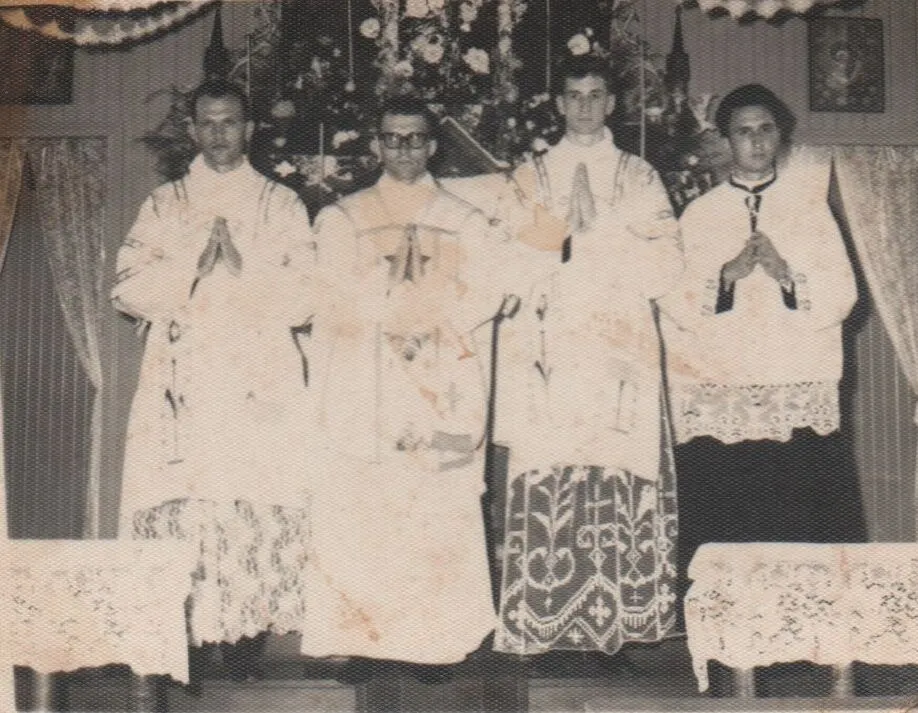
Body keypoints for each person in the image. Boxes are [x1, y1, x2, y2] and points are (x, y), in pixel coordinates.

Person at [111, 79, 317, 680]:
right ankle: (191, 642)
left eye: (231, 122)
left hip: (258, 380)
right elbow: (126, 286)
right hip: (186, 381)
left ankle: (248, 638)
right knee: (189, 500)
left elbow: (307, 295)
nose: (220, 134)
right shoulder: (164, 204)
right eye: (208, 123)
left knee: (249, 495)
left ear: (250, 129)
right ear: (193, 130)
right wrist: (189, 270)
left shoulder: (280, 204)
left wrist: (242, 268)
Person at [302, 95, 514, 679]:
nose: (404, 149)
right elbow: (329, 295)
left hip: (438, 381)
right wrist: (388, 301)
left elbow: (491, 291)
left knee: (434, 509)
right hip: (369, 386)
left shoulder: (465, 218)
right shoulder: (345, 217)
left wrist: (434, 313)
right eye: (392, 138)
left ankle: (434, 640)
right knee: (368, 509)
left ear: (432, 144)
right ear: (376, 143)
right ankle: (365, 640)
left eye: (415, 138)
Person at [492, 54, 683, 658]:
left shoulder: (640, 175)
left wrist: (604, 232)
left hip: (617, 345)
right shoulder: (530, 176)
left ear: (612, 104)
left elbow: (666, 266)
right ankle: (549, 615)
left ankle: (622, 617)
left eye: (595, 94)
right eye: (572, 95)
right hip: (553, 346)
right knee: (555, 467)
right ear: (558, 104)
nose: (583, 106)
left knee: (615, 466)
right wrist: (560, 232)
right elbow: (509, 264)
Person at [658, 84, 867, 627]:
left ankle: (808, 634)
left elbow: (843, 295)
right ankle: (731, 637)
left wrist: (785, 274)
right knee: (732, 515)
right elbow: (673, 302)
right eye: (743, 131)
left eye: (765, 129)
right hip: (724, 393)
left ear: (780, 136)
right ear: (727, 140)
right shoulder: (700, 215)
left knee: (798, 513)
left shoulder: (809, 211)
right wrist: (723, 278)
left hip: (794, 387)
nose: (755, 141)